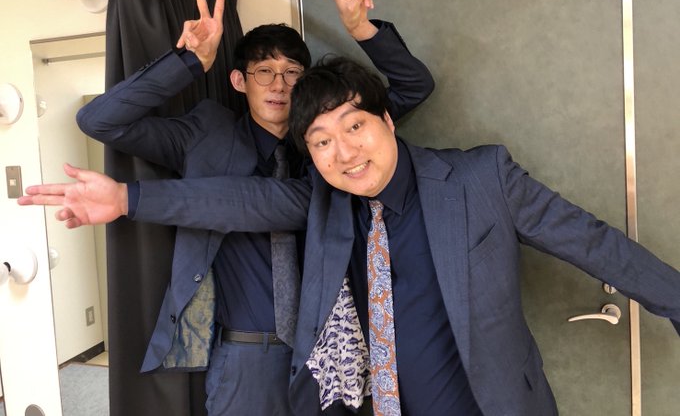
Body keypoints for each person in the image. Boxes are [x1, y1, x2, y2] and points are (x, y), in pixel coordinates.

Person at [20, 56, 680, 416]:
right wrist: (127, 198)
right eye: (321, 141)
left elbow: (593, 242)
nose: (344, 152)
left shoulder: (482, 179)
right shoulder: (324, 202)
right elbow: (237, 200)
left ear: (387, 120)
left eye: (354, 126)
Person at [70, 0, 435, 416]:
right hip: (244, 357)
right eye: (264, 72)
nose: (279, 85)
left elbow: (415, 86)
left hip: (333, 350)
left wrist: (360, 27)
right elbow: (99, 120)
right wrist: (189, 62)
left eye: (292, 72)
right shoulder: (205, 133)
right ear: (239, 80)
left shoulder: (333, 142)